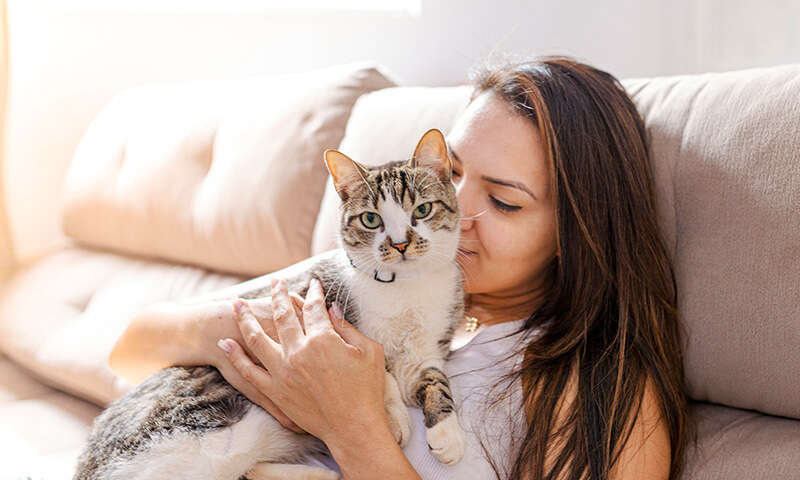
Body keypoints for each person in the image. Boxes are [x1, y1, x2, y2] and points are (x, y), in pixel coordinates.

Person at [109, 56, 694, 480]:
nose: (451, 211)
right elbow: (128, 350)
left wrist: (350, 424)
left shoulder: (599, 386)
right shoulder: (369, 266)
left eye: (505, 201)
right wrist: (246, 331)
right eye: (449, 174)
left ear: (578, 231)